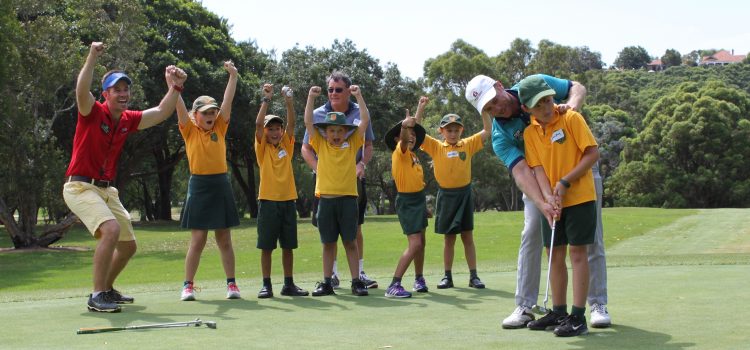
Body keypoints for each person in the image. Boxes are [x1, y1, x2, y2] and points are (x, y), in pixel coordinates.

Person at [465, 74, 611, 329]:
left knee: (591, 239)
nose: (496, 109)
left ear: (500, 86)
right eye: (488, 109)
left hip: (580, 167)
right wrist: (544, 202)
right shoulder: (500, 135)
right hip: (540, 180)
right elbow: (523, 172)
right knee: (533, 232)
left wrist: (573, 107)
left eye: (494, 100)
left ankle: (597, 304)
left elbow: (577, 87)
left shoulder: (532, 85)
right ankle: (525, 305)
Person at [63, 41, 186, 312]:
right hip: (80, 187)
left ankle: (106, 289)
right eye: (116, 89)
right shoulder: (91, 111)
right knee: (111, 230)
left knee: (128, 246)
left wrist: (175, 87)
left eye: (125, 89)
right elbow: (81, 90)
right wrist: (92, 56)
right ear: (105, 94)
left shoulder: (128, 119)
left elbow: (161, 112)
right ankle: (97, 296)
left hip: (107, 190)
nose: (123, 93)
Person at [519, 75, 600, 337]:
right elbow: (538, 170)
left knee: (577, 253)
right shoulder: (530, 133)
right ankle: (558, 311)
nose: (545, 107)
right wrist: (547, 199)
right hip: (554, 201)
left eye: (548, 100)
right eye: (538, 104)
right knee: (554, 254)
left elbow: (592, 153)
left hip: (580, 198)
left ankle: (577, 317)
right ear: (526, 109)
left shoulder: (571, 119)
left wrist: (565, 182)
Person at [301, 71, 377, 289]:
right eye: (331, 130)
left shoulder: (352, 141)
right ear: (325, 132)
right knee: (328, 242)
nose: (335, 134)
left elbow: (364, 121)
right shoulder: (321, 142)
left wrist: (360, 97)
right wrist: (310, 98)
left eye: (340, 130)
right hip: (325, 197)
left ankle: (356, 280)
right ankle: (328, 281)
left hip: (347, 197)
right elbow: (308, 123)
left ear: (347, 131)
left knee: (351, 241)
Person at [176, 61, 241, 301]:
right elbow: (178, 105)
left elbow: (228, 102)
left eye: (213, 112)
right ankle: (188, 286)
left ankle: (232, 284)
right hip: (199, 185)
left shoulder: (220, 127)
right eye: (205, 113)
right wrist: (174, 86)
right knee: (198, 239)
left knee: (224, 238)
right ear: (195, 116)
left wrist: (232, 76)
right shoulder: (189, 129)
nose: (211, 115)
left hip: (220, 184)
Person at [416, 98, 491, 290]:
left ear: (461, 131)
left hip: (464, 195)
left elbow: (487, 130)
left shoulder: (467, 144)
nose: (452, 133)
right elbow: (416, 132)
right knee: (449, 238)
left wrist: (482, 109)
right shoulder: (436, 146)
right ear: (441, 131)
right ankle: (447, 276)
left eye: (456, 130)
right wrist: (421, 108)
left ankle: (473, 276)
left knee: (467, 236)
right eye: (448, 130)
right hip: (446, 196)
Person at [253, 83, 309, 298]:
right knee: (266, 246)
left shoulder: (286, 144)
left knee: (288, 246)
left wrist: (289, 102)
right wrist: (266, 99)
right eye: (271, 129)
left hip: (288, 200)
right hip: (267, 201)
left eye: (278, 128)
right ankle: (266, 284)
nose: (275, 132)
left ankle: (288, 284)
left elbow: (293, 123)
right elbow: (258, 123)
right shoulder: (262, 147)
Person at [383, 99, 429, 298]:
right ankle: (394, 284)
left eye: (413, 135)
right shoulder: (399, 153)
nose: (411, 137)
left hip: (418, 199)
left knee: (422, 242)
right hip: (407, 201)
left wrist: (419, 109)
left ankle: (418, 279)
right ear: (397, 139)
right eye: (407, 134)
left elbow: (412, 130)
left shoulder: (412, 154)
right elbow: (404, 136)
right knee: (415, 244)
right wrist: (404, 125)